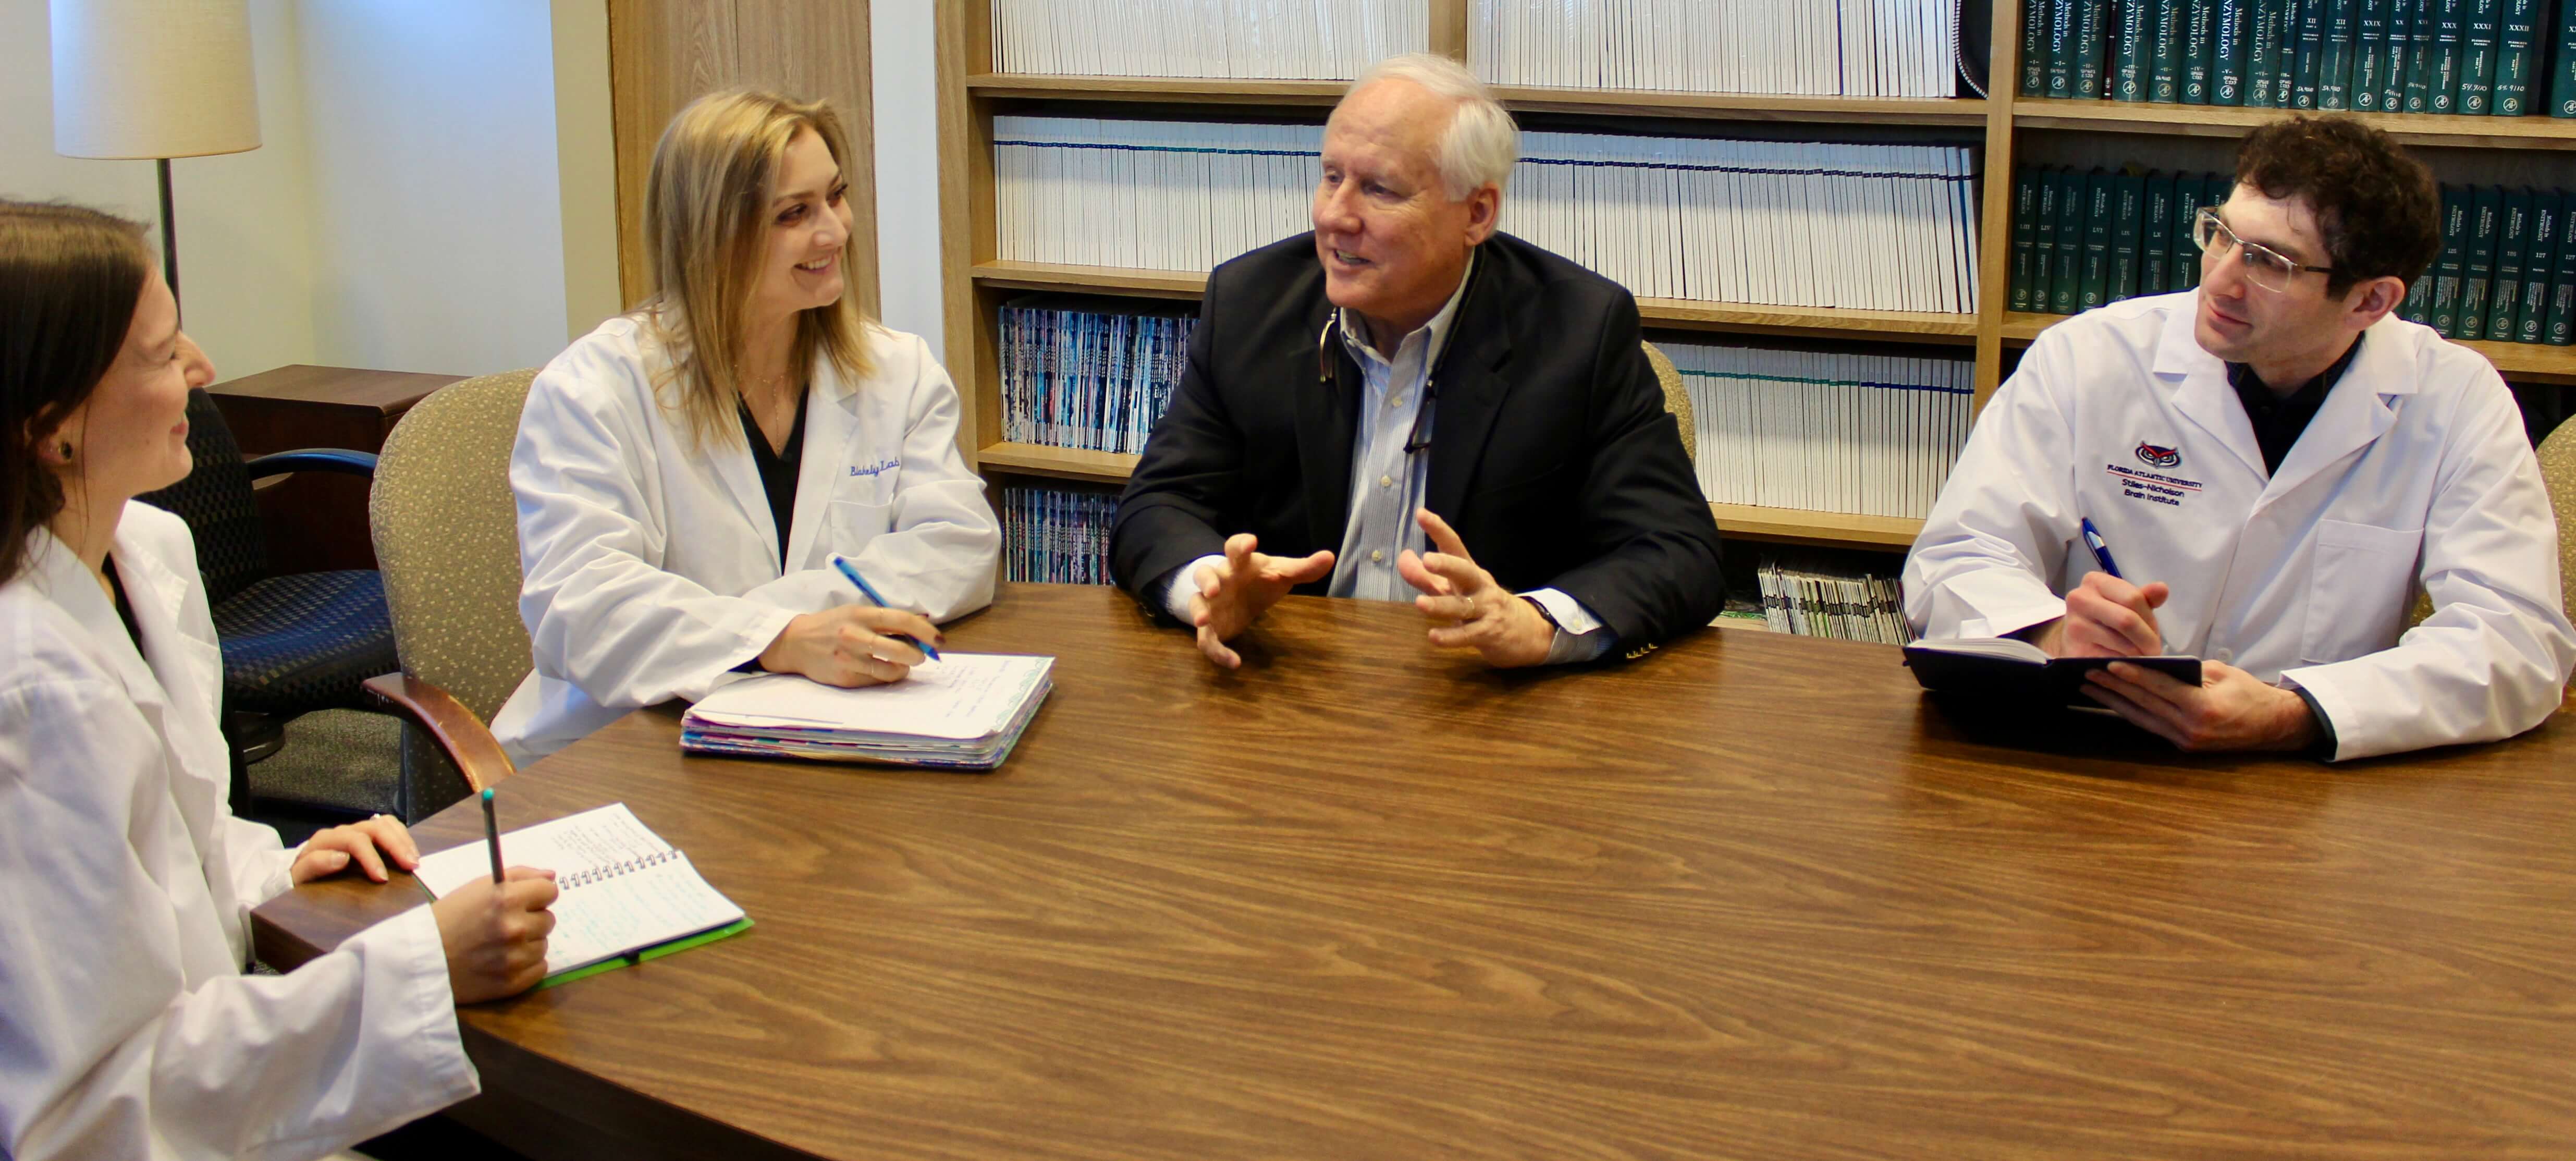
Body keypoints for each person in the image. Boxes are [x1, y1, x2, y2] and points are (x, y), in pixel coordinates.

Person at [0, 201, 559, 1160]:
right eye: (164, 352)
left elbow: (179, 834)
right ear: (53, 429)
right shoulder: (32, 693)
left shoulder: (145, 549)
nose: (204, 370)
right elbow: (86, 1117)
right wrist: (422, 967)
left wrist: (274, 869)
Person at [1904, 116, 2575, 761]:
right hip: (2086, 748)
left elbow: (2517, 640)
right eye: (2222, 235)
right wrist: (2048, 633)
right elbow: (1960, 554)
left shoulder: (2456, 400)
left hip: (2303, 788)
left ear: (2369, 302)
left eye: (2269, 262)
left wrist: (2297, 716)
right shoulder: (2089, 356)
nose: (2220, 277)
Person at [1111, 55, 1723, 670]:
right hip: (1289, 680)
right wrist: (1210, 589)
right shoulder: (1249, 304)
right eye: (1330, 177)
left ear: (1477, 213)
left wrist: (1537, 622)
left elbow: (1677, 549)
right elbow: (1156, 506)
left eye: (1378, 189)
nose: (1333, 215)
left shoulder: (1580, 331)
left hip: (1487, 703)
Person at [499, 90, 999, 764]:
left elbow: (960, 545)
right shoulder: (594, 389)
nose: (834, 231)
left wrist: (776, 622)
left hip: (824, 728)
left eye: (836, 196)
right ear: (711, 235)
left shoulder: (894, 369)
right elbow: (581, 608)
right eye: (794, 213)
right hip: (627, 746)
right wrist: (778, 636)